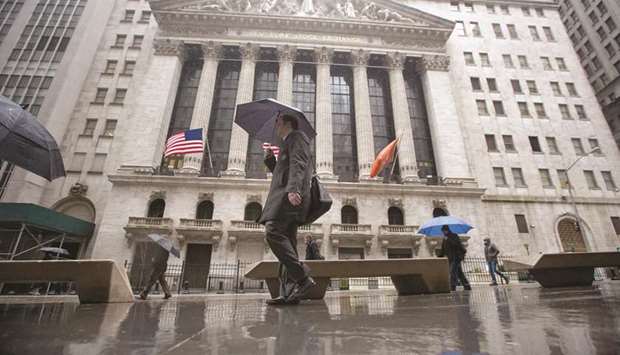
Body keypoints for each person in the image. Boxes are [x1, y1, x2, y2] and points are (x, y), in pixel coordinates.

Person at [259, 113, 315, 305]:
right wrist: (270, 160)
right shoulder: (287, 142)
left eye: (278, 122)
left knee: (273, 232)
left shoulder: (297, 137)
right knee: (288, 243)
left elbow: (298, 164)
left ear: (287, 123)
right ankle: (289, 293)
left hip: (287, 197)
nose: (276, 125)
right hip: (285, 195)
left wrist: (293, 189)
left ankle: (303, 279)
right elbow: (282, 171)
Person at [440, 225, 471, 291]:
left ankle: (452, 287)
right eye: (442, 231)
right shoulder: (445, 238)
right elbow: (443, 249)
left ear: (447, 230)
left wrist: (448, 239)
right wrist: (439, 256)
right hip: (450, 258)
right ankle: (467, 285)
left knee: (452, 272)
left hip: (456, 257)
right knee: (460, 273)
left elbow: (457, 245)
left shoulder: (454, 236)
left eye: (444, 231)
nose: (443, 232)